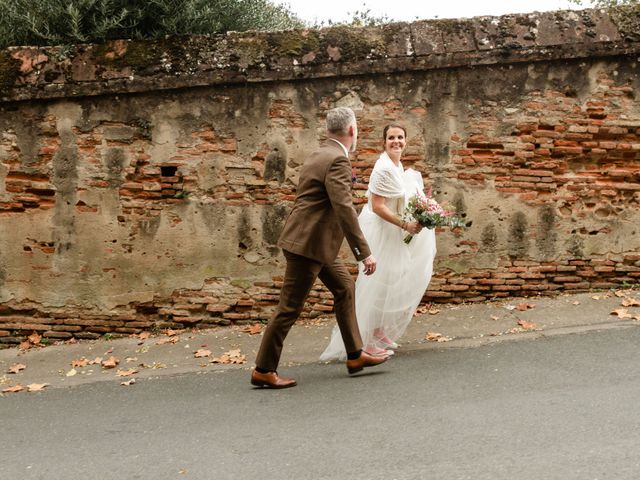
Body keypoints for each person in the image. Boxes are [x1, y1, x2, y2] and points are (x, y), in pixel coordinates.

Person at [251, 107, 389, 389]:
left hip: (315, 243)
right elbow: (344, 208)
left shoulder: (319, 153)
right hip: (308, 245)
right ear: (352, 131)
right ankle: (263, 369)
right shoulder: (338, 160)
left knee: (344, 287)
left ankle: (354, 355)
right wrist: (364, 252)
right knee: (289, 307)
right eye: (357, 128)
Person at [320, 123, 437, 361]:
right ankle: (366, 342)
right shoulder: (383, 167)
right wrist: (405, 225)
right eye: (391, 137)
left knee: (389, 281)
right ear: (383, 142)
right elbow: (378, 206)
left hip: (392, 230)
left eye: (400, 137)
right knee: (376, 284)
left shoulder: (397, 164)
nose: (396, 141)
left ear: (406, 141)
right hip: (381, 231)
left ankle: (378, 331)